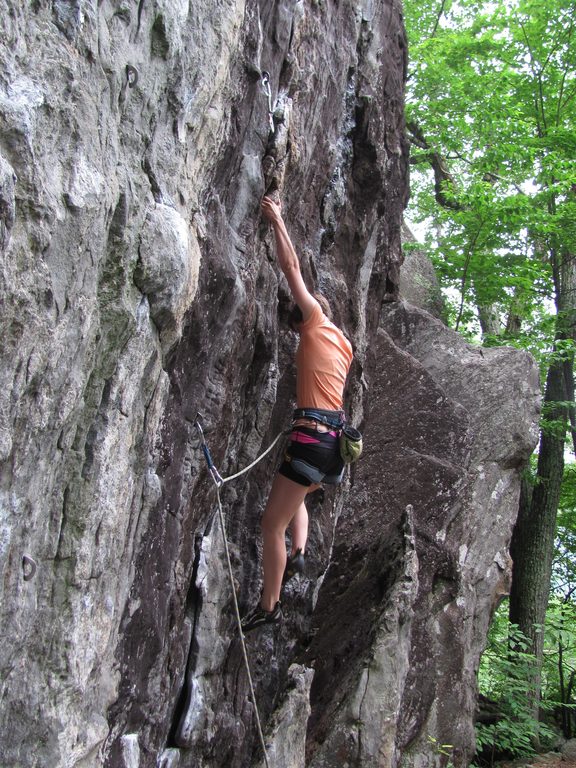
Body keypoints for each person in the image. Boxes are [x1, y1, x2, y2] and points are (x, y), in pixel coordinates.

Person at [241, 196, 353, 633]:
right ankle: (301, 551)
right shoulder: (344, 344)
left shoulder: (314, 320)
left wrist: (278, 219)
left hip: (312, 438)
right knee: (297, 497)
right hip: (332, 446)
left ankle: (269, 607)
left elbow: (292, 271)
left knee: (270, 524)